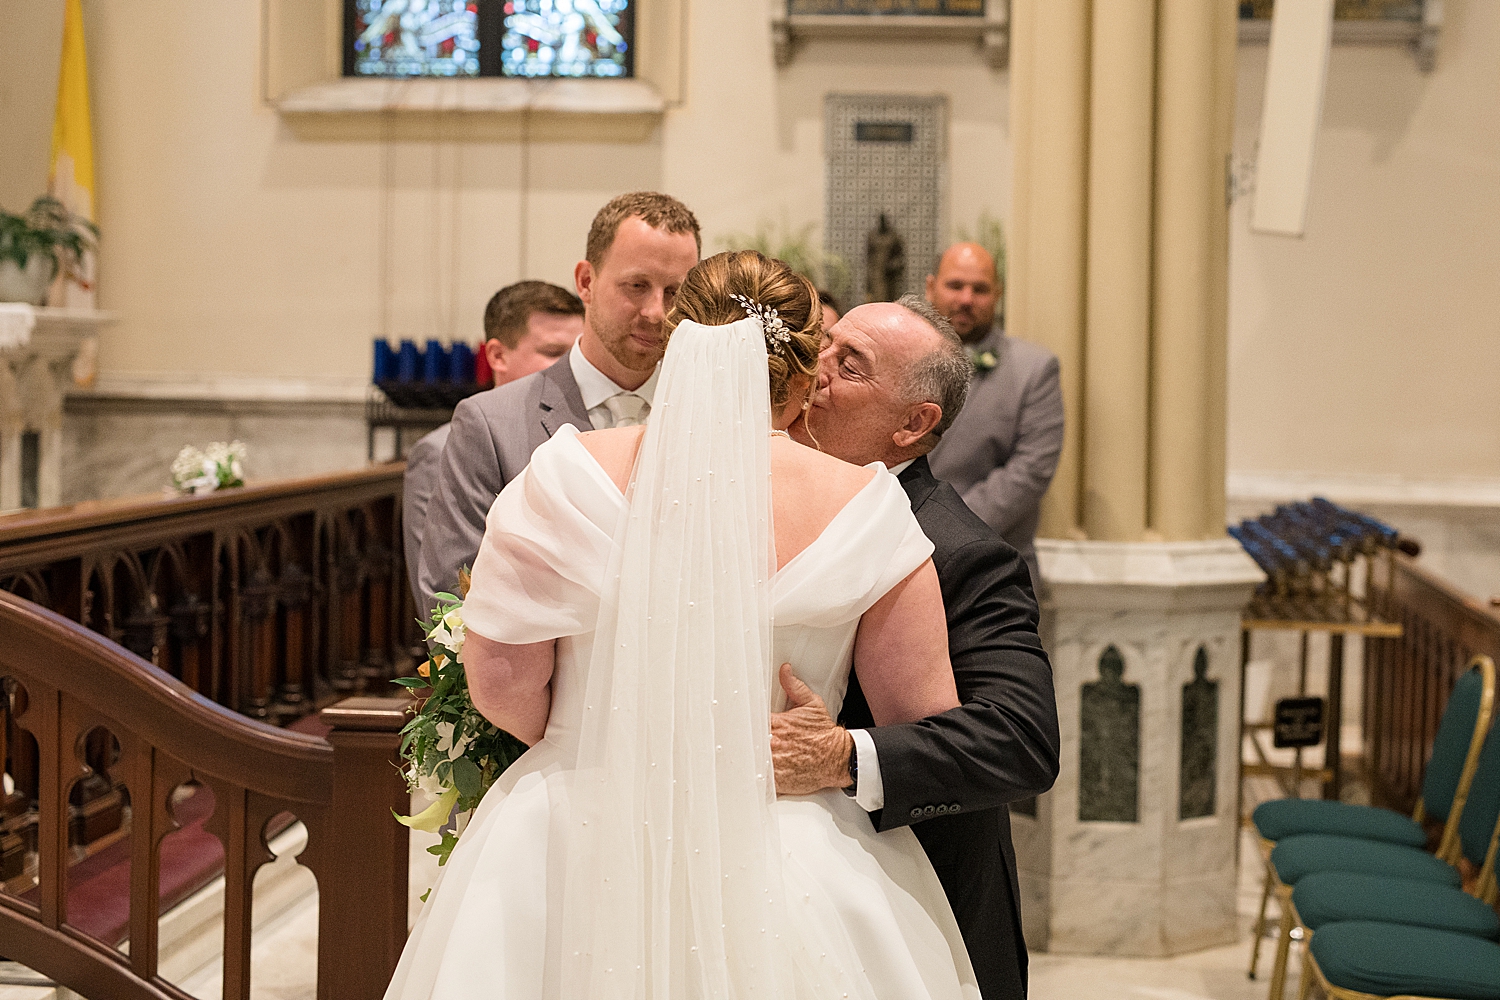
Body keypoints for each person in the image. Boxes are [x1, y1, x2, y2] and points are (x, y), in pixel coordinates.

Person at [384, 252, 981, 999]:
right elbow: (920, 720)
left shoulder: (561, 475)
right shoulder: (867, 504)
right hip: (788, 835)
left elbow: (501, 686)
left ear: (675, 341)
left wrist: (597, 733)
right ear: (802, 370)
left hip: (572, 824)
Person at [779, 295, 1060, 999]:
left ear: (914, 424)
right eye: (825, 345)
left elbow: (1021, 739)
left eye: (851, 365)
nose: (816, 371)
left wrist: (844, 756)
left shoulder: (962, 551)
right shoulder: (769, 496)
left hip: (921, 907)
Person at [416, 191, 701, 618]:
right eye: (637, 286)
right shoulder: (491, 425)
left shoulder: (705, 420)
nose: (656, 313)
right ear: (586, 281)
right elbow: (452, 602)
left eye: (675, 291)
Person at [402, 281, 583, 604]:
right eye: (554, 353)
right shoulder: (438, 450)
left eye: (576, 352)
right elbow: (444, 593)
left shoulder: (581, 434)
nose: (570, 367)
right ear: (498, 355)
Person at [923, 242, 1063, 593]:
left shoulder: (1034, 370)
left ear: (998, 294)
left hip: (995, 572)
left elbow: (1029, 472)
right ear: (930, 287)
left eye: (980, 289)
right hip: (896, 567)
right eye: (955, 285)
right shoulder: (899, 360)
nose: (966, 298)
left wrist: (936, 530)